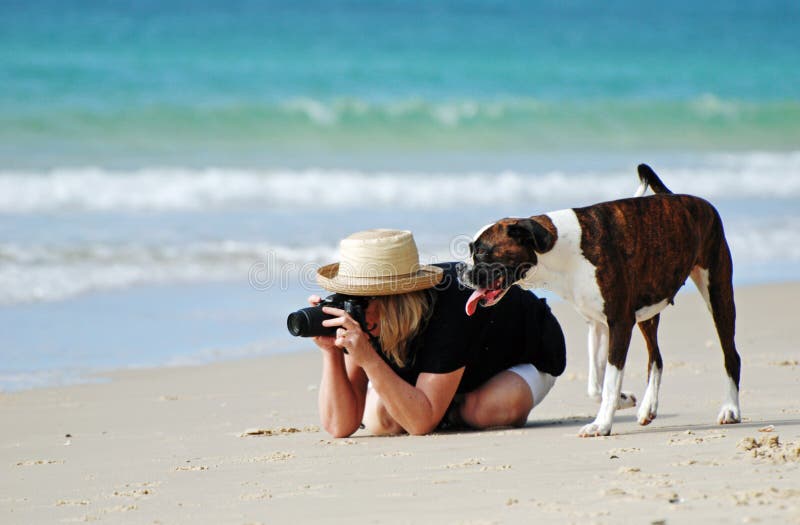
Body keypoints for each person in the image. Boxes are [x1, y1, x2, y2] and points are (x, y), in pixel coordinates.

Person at [311, 229, 566, 438]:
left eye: (362, 298)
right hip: (451, 367)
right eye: (346, 296)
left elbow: (420, 425)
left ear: (393, 298)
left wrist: (368, 359)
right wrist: (331, 352)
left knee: (482, 411)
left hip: (520, 354)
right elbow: (339, 426)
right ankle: (439, 401)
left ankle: (446, 404)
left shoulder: (454, 305)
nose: (352, 307)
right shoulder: (364, 315)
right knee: (382, 421)